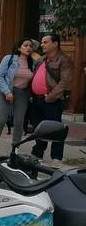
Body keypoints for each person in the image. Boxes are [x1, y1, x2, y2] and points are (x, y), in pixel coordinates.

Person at [30, 33, 74, 166]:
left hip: (52, 101)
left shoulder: (64, 60)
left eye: (45, 42)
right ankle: (37, 154)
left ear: (55, 44)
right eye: (42, 42)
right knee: (38, 128)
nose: (42, 45)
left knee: (56, 129)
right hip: (36, 100)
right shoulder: (42, 59)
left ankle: (56, 157)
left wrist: (50, 97)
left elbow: (65, 82)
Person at [0, 39, 35, 145]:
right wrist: (7, 92)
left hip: (23, 94)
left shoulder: (33, 62)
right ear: (19, 48)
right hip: (6, 91)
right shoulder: (9, 58)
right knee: (1, 120)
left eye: (31, 46)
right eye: (25, 45)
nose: (28, 48)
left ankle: (15, 147)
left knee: (19, 123)